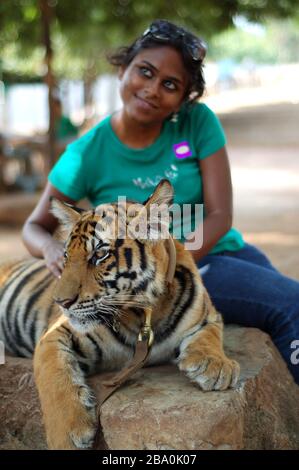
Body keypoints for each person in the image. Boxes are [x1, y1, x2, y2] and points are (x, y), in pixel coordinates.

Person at [22, 19, 299, 385]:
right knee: (291, 305)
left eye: (170, 85)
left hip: (212, 251)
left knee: (283, 302)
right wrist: (50, 250)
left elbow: (220, 214)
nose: (153, 89)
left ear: (183, 99)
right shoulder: (86, 152)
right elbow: (33, 226)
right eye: (145, 72)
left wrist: (177, 257)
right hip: (151, 273)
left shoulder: (198, 123)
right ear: (122, 70)